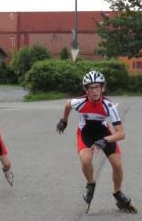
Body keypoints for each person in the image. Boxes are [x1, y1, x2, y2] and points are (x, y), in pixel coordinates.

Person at [56, 70, 137, 213]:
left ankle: (117, 192)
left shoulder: (109, 106)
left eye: (97, 87)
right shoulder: (79, 102)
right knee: (86, 159)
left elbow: (121, 134)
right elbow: (67, 105)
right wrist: (64, 120)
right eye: (91, 87)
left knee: (117, 165)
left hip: (103, 132)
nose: (94, 91)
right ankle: (90, 184)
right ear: (86, 90)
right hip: (85, 132)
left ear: (103, 88)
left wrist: (105, 139)